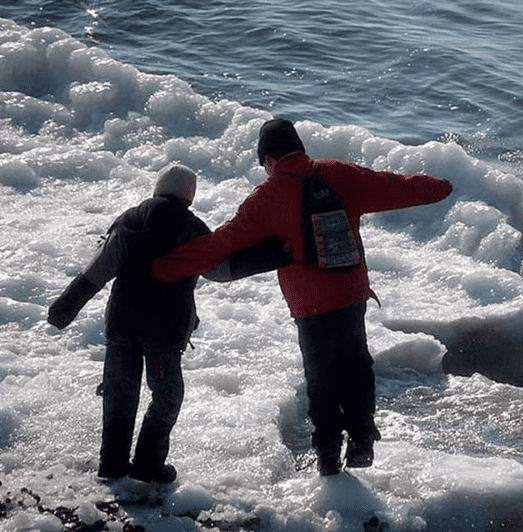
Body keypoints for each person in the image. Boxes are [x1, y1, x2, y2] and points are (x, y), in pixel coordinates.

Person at [151, 118, 453, 476]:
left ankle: (327, 452)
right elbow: (396, 186)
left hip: (310, 304)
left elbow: (222, 243)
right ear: (299, 147)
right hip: (351, 292)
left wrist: (165, 267)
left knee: (321, 374)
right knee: (356, 363)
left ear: (268, 159)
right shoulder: (339, 174)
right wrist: (441, 187)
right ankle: (361, 438)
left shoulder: (267, 197)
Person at [47, 164, 290, 483]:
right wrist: (277, 253)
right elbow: (221, 270)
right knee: (167, 395)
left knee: (119, 392)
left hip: (122, 324)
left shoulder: (129, 221)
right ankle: (148, 465)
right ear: (189, 196)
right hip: (163, 333)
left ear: (158, 187)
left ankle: (112, 465)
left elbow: (96, 271)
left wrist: (64, 309)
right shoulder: (192, 228)